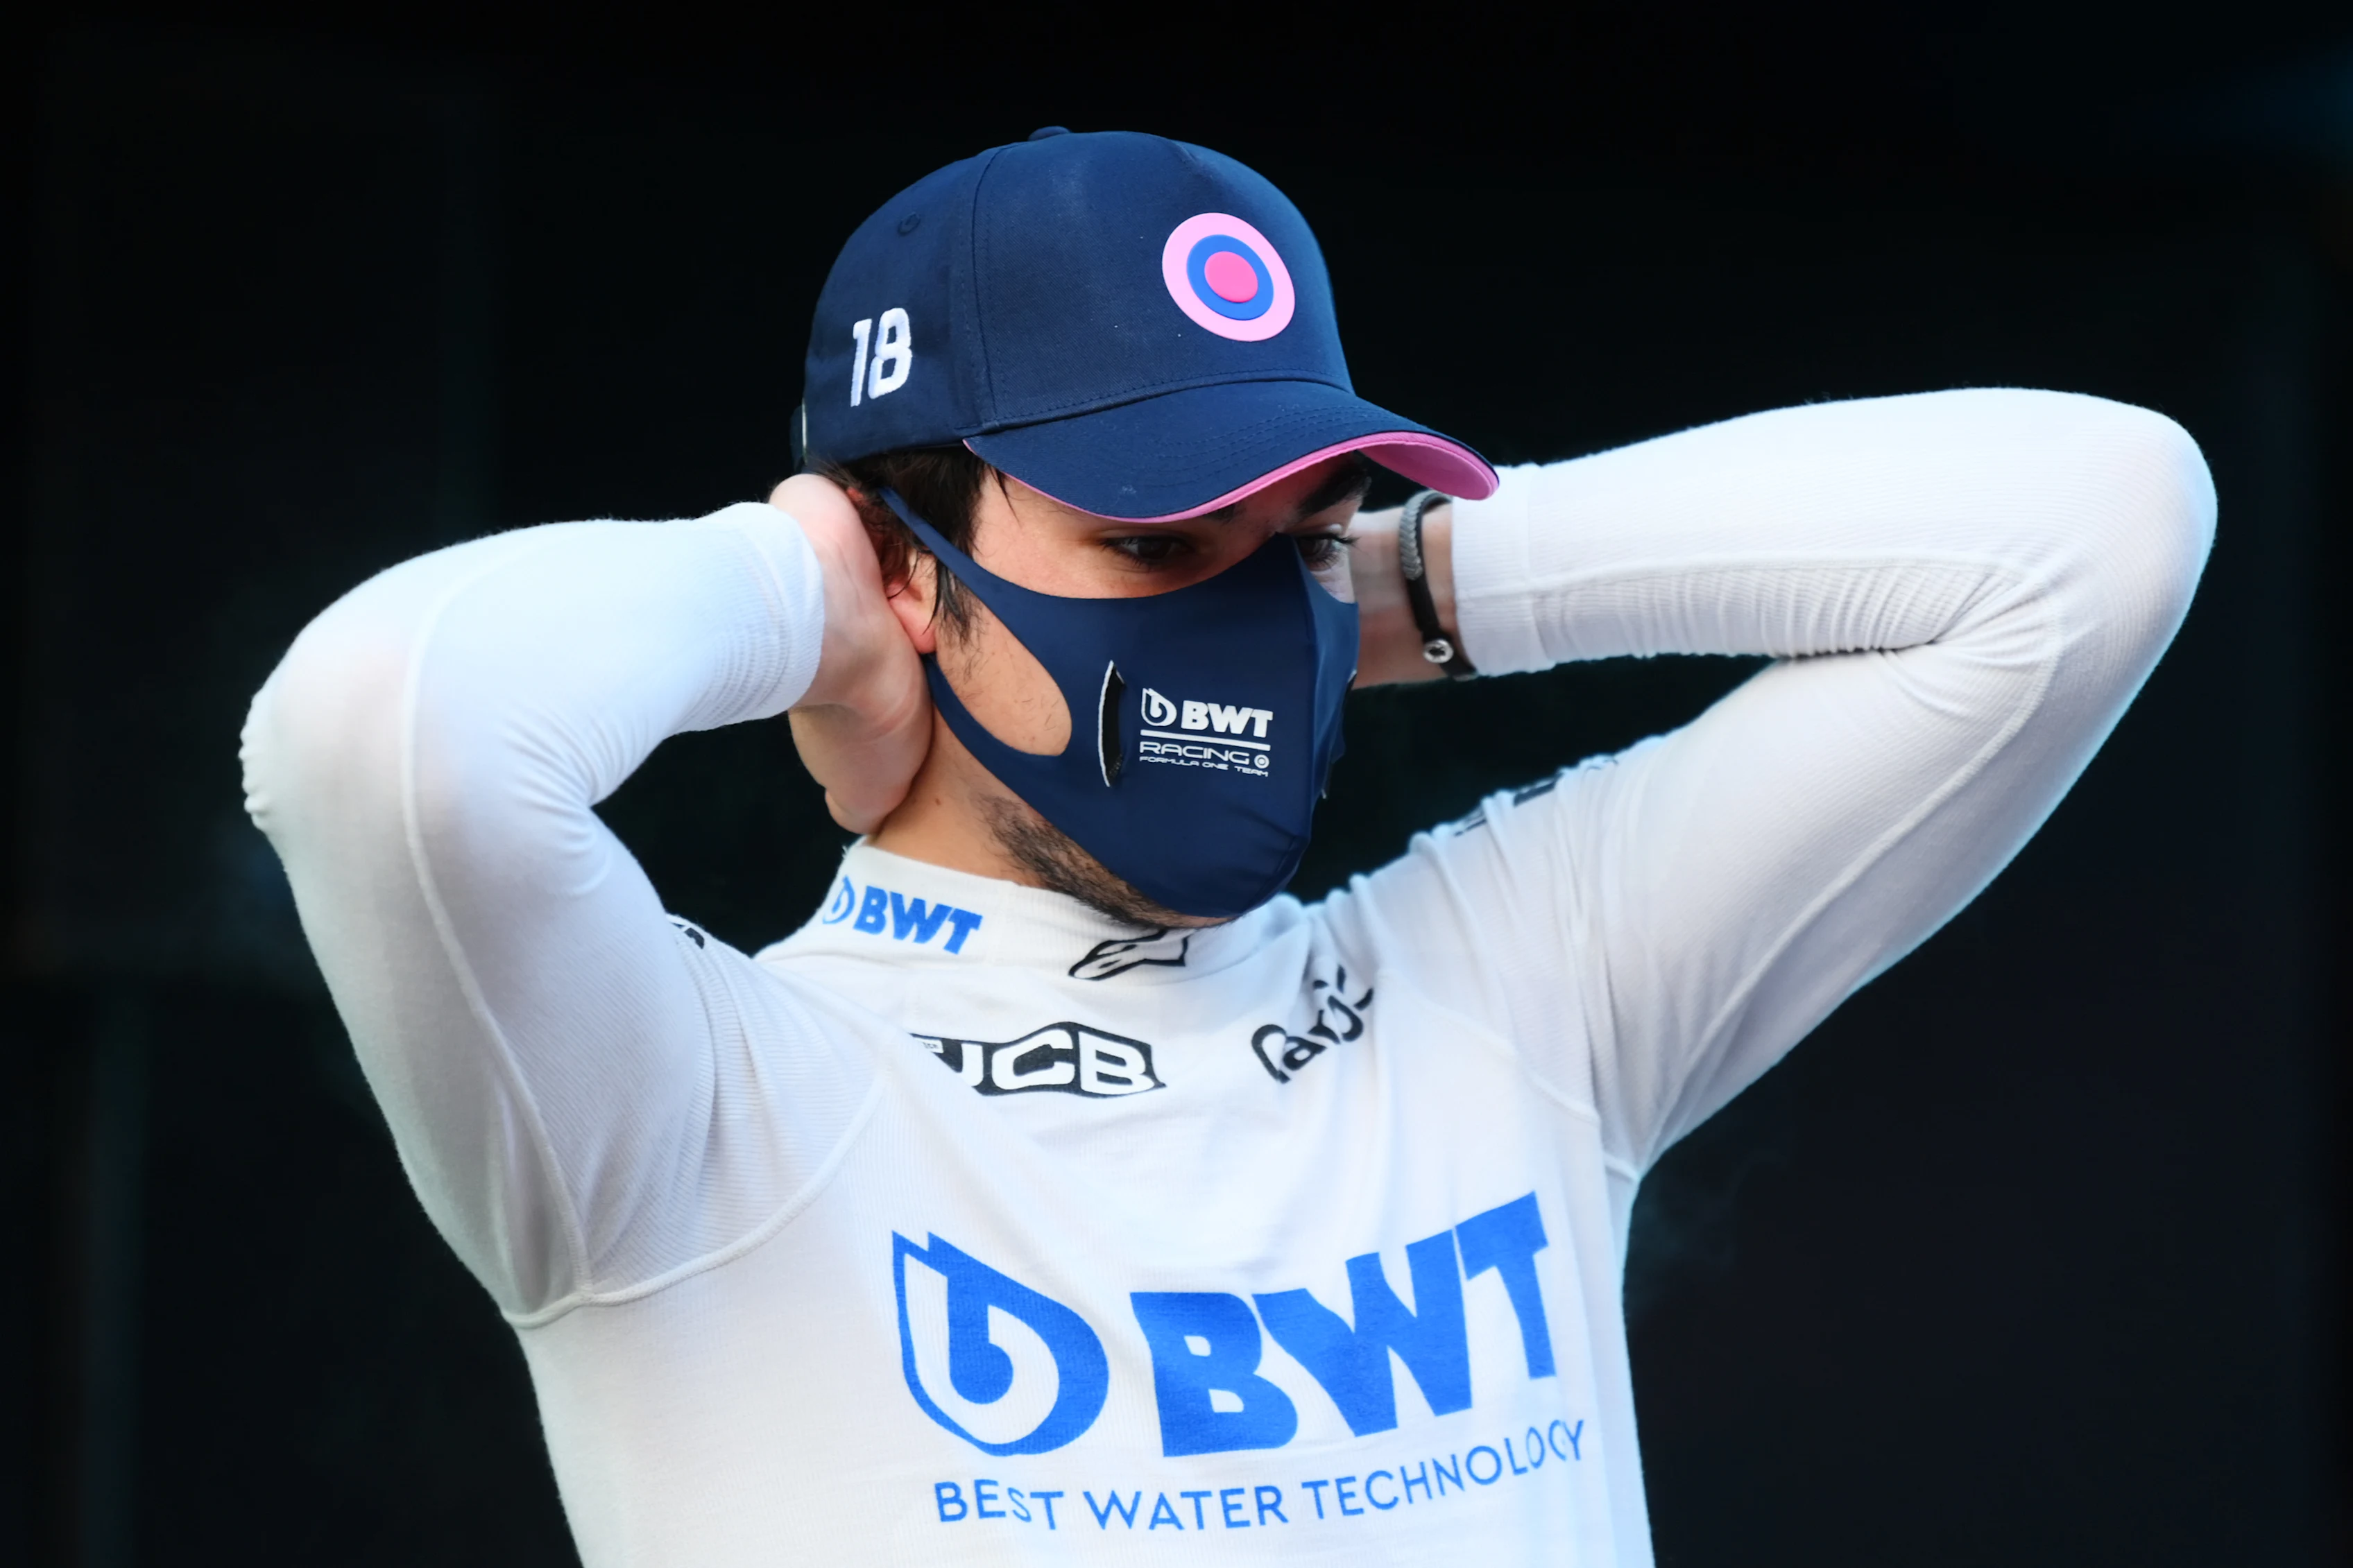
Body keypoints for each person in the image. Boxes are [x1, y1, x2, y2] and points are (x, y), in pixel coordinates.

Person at [241, 128, 2214, 1565]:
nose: (1249, 620)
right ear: (913, 566)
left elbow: (2099, 528)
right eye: (1155, 542)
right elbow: (383, 731)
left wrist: (1414, 588)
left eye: (1298, 536)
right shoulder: (692, 1108)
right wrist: (801, 598)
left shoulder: (1513, 987)